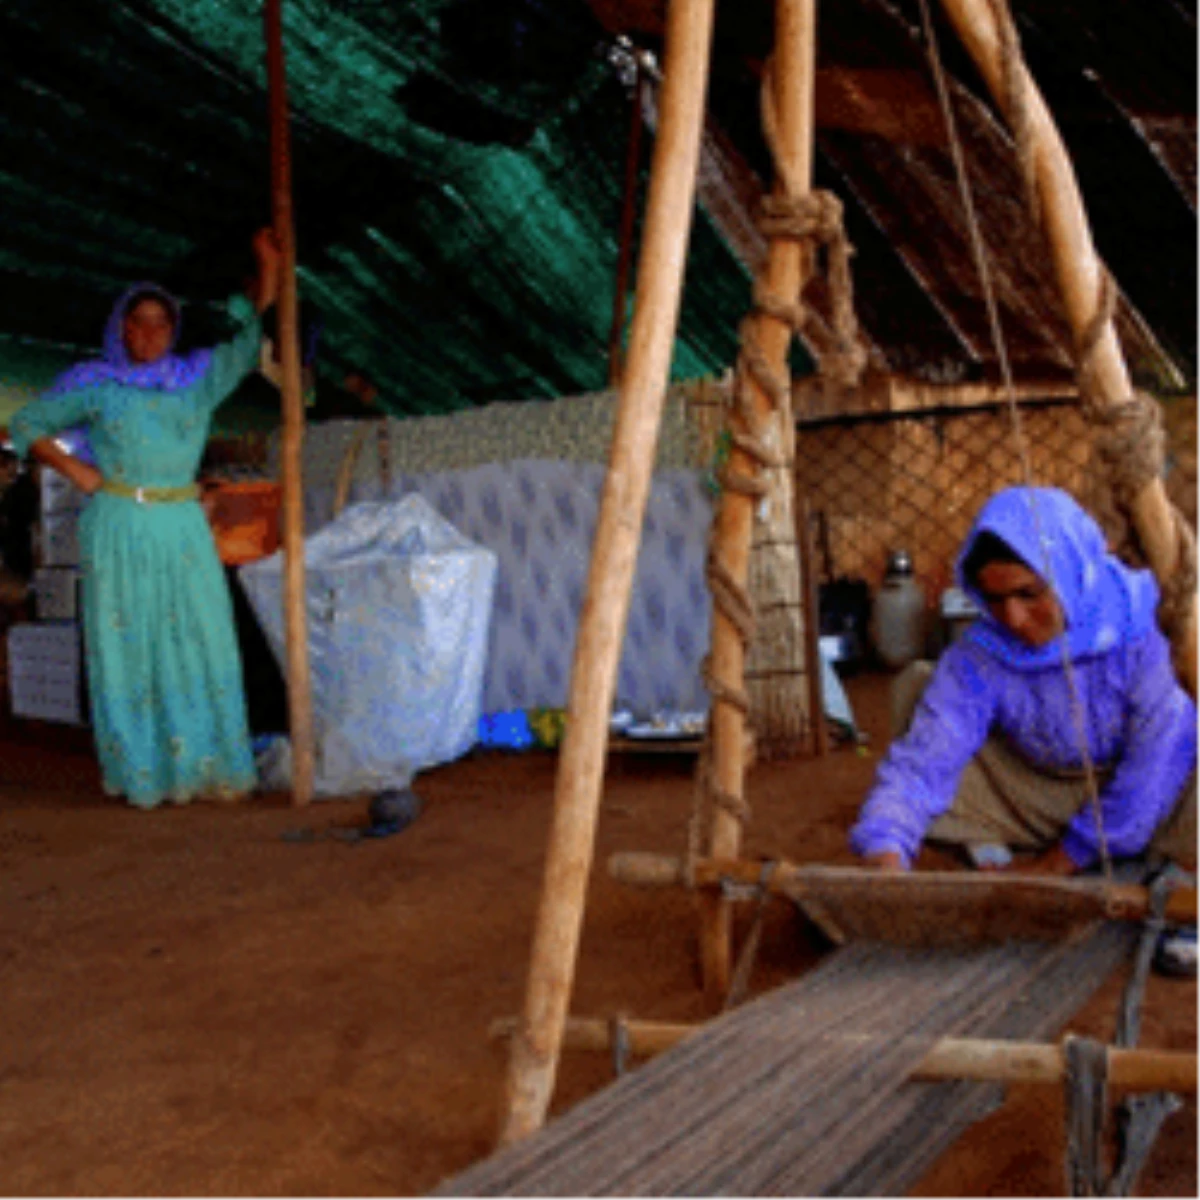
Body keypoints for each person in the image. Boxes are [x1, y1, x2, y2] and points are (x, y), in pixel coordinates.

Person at [8, 229, 282, 808]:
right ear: (122, 330)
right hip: (118, 524)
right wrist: (77, 472)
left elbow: (248, 335)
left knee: (200, 639)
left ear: (173, 329)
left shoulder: (195, 382)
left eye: (161, 322)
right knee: (129, 645)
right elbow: (29, 423)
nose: (150, 333)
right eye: (139, 323)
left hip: (182, 523)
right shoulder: (96, 384)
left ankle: (209, 766)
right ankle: (144, 773)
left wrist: (267, 267)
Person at [850, 485, 1199, 878]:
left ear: (1070, 569)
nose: (1013, 617)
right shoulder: (982, 653)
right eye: (995, 599)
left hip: (1156, 797)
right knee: (918, 689)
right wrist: (885, 848)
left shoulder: (1151, 624)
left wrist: (1057, 862)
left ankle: (1150, 857)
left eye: (1029, 594)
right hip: (1040, 796)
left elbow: (1154, 768)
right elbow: (924, 762)